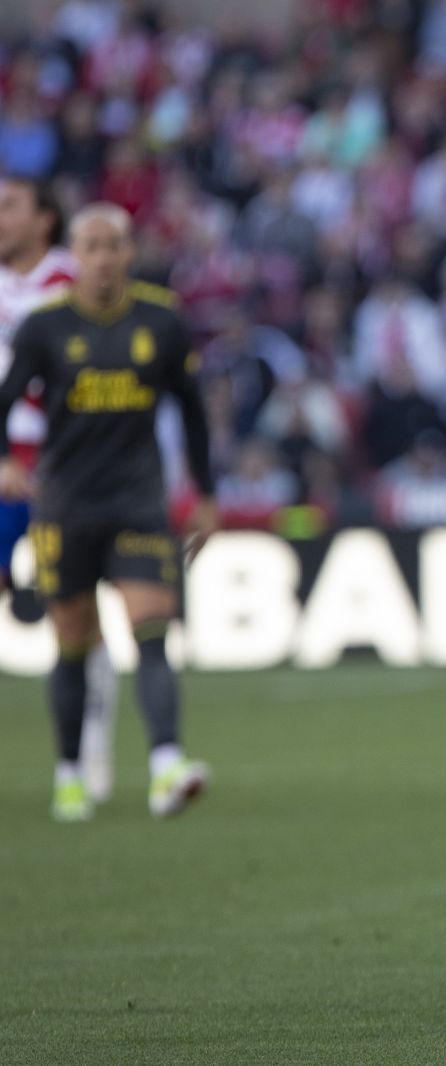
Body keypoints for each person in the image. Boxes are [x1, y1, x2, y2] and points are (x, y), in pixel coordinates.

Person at [0, 203, 218, 821]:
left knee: (152, 633)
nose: (102, 257)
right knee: (71, 644)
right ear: (75, 255)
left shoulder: (162, 320)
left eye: (113, 245)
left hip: (138, 501)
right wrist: (5, 462)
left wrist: (204, 494)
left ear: (129, 253)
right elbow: (4, 399)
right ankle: (69, 772)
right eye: (90, 246)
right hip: (64, 504)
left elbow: (194, 411)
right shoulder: (44, 328)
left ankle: (165, 765)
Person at [0, 175, 122, 803]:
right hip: (3, 465)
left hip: (59, 465)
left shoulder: (70, 285)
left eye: (9, 206)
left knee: (71, 614)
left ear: (43, 220)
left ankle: (90, 738)